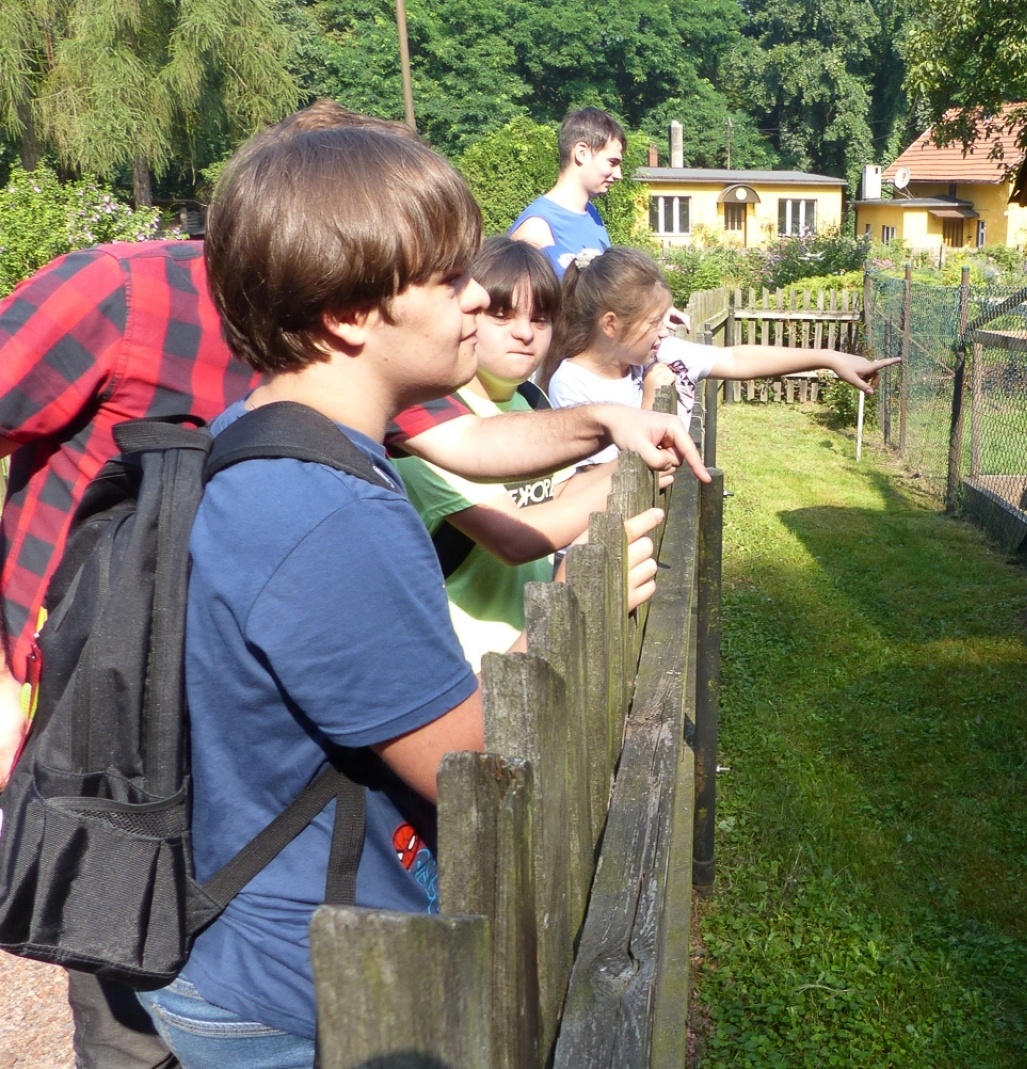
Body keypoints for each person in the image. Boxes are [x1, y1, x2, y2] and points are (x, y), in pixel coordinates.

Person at [0, 99, 699, 1069]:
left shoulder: (272, 444)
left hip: (250, 941)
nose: (479, 302)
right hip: (295, 985)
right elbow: (477, 763)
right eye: (448, 278)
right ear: (343, 315)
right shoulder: (326, 512)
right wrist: (585, 587)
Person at [396, 237, 652, 669]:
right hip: (462, 660)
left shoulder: (529, 399)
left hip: (530, 637)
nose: (525, 332)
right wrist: (642, 458)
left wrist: (637, 459)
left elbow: (564, 490)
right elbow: (514, 538)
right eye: (502, 315)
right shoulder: (431, 420)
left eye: (540, 318)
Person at [540, 247, 901, 466]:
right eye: (654, 322)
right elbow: (608, 483)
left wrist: (829, 358)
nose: (665, 331)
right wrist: (650, 401)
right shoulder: (570, 385)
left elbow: (736, 360)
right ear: (611, 325)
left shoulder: (656, 353)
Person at [508, 107, 623, 276]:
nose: (619, 175)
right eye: (612, 162)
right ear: (581, 153)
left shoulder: (592, 215)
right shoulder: (536, 227)